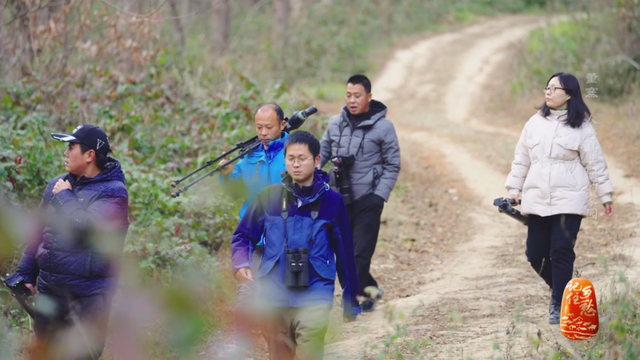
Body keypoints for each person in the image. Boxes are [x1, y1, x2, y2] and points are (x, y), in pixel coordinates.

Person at [231, 131, 361, 360]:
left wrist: (350, 299)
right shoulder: (268, 197)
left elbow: (345, 251)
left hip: (315, 293)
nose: (296, 164)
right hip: (273, 295)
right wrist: (241, 262)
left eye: (302, 158)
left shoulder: (332, 201)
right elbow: (243, 235)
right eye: (291, 159)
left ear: (317, 160)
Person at [505, 72, 614, 324]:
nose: (548, 91)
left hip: (569, 199)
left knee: (561, 251)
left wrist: (605, 194)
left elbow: (595, 164)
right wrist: (514, 189)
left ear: (569, 95)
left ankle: (558, 304)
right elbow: (521, 158)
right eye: (547, 87)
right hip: (537, 198)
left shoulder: (582, 128)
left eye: (555, 88)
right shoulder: (534, 123)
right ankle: (567, 294)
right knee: (535, 253)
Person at [12, 124, 129, 358]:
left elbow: (88, 231)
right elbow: (38, 233)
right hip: (49, 293)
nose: (65, 152)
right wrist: (25, 272)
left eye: (71, 147)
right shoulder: (57, 185)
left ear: (89, 155)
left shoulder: (114, 193)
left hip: (88, 298)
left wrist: (64, 197)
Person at [319, 74, 401, 312]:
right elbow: (321, 153)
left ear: (369, 97)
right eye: (348, 95)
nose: (352, 100)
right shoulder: (335, 123)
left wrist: (379, 197)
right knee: (343, 255)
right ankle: (369, 290)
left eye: (357, 96)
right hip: (338, 198)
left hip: (368, 199)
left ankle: (351, 302)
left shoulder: (384, 127)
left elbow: (392, 164)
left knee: (359, 255)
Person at [218, 103, 288, 359]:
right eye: (259, 127)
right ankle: (241, 347)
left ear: (282, 125)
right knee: (246, 291)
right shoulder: (248, 156)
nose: (263, 132)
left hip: (284, 241)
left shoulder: (294, 152)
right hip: (253, 237)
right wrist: (226, 175)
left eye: (269, 127)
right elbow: (236, 193)